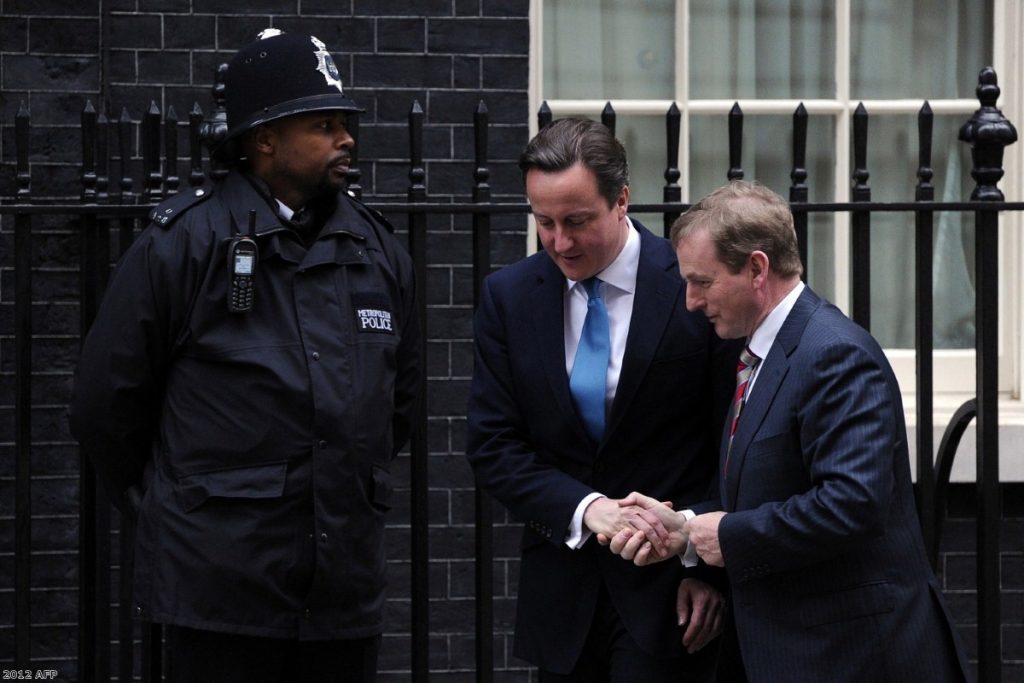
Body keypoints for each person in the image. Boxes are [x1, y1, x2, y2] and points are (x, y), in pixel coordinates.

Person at [68, 29, 419, 683]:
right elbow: (104, 405)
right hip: (219, 595)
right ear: (265, 140)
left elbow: (398, 408)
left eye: (346, 123)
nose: (347, 138)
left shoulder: (378, 252)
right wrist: (181, 505)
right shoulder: (182, 244)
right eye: (324, 124)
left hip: (342, 593)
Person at [609, 180, 971, 682]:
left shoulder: (833, 354)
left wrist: (720, 535)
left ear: (758, 268)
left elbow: (851, 505)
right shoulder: (759, 351)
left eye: (702, 281)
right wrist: (684, 532)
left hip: (854, 655)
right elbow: (766, 487)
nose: (690, 301)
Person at [465, 117, 736, 683]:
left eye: (577, 221)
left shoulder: (691, 282)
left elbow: (733, 437)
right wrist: (589, 509)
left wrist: (707, 569)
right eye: (544, 223)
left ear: (622, 202)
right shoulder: (509, 297)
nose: (560, 242)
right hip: (562, 598)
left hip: (672, 595)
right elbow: (493, 445)